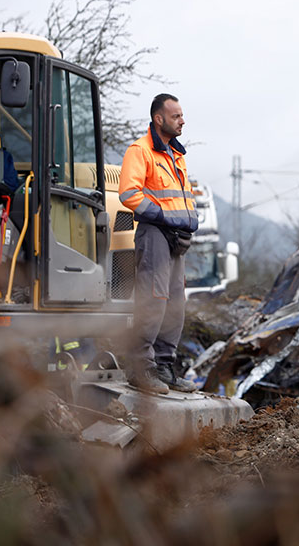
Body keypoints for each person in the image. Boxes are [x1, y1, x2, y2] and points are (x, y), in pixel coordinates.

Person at [119, 94, 198, 394]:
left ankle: (164, 367)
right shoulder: (141, 151)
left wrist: (188, 224)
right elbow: (129, 194)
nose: (182, 120)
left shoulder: (177, 156)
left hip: (176, 239)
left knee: (176, 303)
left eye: (182, 115)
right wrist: (164, 217)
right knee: (153, 299)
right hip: (154, 233)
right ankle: (140, 369)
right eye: (176, 116)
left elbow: (183, 199)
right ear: (159, 119)